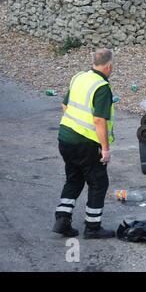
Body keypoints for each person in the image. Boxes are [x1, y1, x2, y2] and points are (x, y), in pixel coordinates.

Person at [52, 48, 116, 239]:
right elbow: (99, 120)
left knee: (74, 178)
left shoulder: (79, 77)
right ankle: (93, 227)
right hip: (86, 143)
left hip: (65, 137)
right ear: (109, 66)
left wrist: (75, 125)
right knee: (98, 182)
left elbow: (65, 105)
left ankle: (62, 220)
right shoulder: (102, 87)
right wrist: (105, 149)